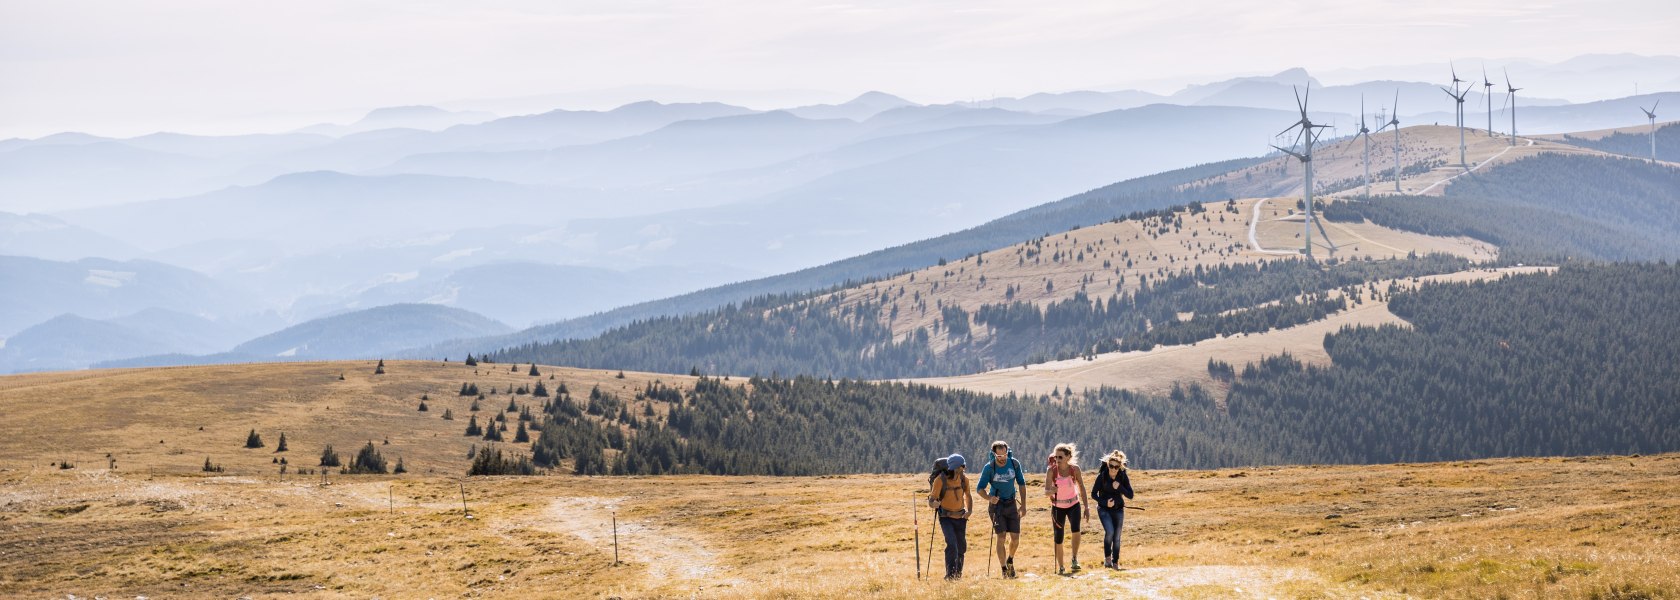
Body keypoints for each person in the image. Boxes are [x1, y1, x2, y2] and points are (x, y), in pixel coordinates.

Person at [975, 440, 1026, 578]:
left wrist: (1024, 505)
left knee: (1015, 539)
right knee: (1001, 537)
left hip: (1011, 504)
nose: (1003, 458)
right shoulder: (989, 468)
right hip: (996, 507)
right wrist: (989, 498)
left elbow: (1021, 484)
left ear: (1007, 452)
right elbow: (979, 489)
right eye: (999, 456)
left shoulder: (1014, 463)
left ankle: (1010, 559)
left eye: (1004, 455)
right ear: (994, 454)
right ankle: (1004, 569)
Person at [1044, 443, 1088, 575]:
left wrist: (1086, 506)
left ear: (1068, 457)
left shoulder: (1075, 469)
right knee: (1059, 537)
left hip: (1074, 504)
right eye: (1056, 457)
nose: (1057, 459)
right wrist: (1051, 490)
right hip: (1058, 507)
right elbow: (1046, 492)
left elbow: (1082, 487)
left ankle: (1074, 559)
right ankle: (1061, 566)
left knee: (1076, 530)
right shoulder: (1051, 471)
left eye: (1060, 457)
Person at [927, 453, 973, 580]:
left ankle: (958, 575)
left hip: (961, 517)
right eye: (957, 468)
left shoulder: (964, 480)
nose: (959, 470)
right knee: (952, 544)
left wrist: (969, 511)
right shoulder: (940, 480)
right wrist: (934, 504)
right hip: (946, 517)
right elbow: (931, 500)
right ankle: (950, 575)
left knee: (961, 547)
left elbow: (968, 495)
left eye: (961, 468)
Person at [1091, 450, 1135, 569]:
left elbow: (1130, 495)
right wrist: (1105, 502)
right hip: (1103, 509)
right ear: (1107, 464)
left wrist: (1120, 487)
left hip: (1118, 510)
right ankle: (1107, 559)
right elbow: (1093, 494)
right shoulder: (1102, 476)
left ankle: (1115, 563)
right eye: (1111, 466)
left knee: (1117, 537)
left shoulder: (1122, 476)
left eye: (1116, 467)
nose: (1113, 469)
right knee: (1110, 532)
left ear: (1119, 467)